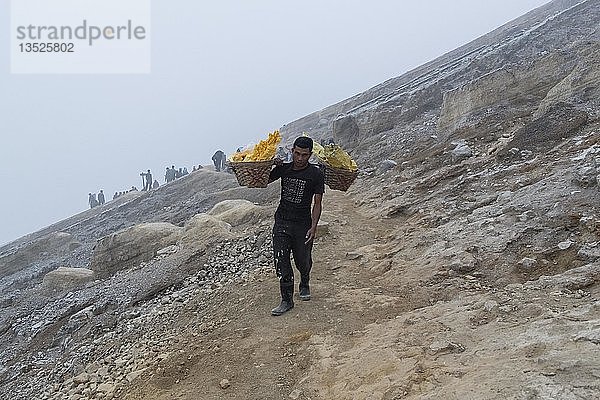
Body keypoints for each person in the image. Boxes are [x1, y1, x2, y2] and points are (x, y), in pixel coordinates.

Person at [268, 136, 325, 316]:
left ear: (310, 155)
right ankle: (287, 299)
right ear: (292, 150)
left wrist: (314, 226)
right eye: (297, 153)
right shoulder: (284, 168)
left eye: (304, 155)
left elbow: (317, 203)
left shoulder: (316, 174)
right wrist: (270, 164)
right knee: (281, 259)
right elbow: (261, 181)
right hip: (282, 222)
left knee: (303, 260)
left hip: (303, 225)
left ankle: (305, 281)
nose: (300, 159)